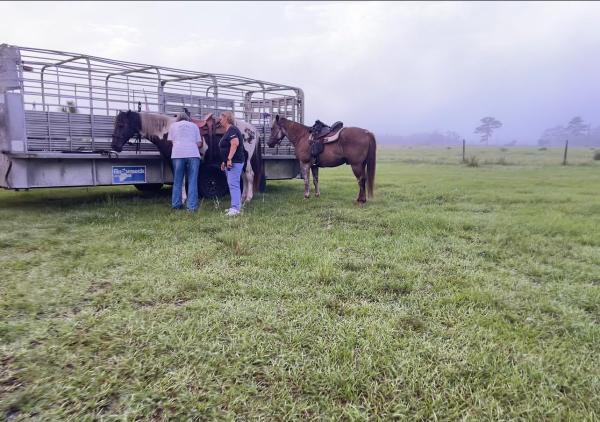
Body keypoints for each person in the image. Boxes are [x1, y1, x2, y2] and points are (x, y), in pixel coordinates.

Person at [168, 112, 202, 211]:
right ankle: (191, 207)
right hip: (193, 154)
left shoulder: (173, 126)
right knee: (192, 181)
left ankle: (176, 205)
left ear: (178, 118)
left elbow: (171, 141)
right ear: (188, 119)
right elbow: (199, 143)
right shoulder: (194, 126)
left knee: (177, 181)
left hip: (178, 154)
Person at [218, 111, 245, 216]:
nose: (219, 120)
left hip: (235, 162)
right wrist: (224, 161)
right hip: (230, 162)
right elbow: (227, 147)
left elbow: (235, 144)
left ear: (226, 118)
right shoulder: (228, 130)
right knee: (232, 184)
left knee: (234, 184)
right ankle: (234, 206)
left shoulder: (232, 129)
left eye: (221, 118)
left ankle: (236, 209)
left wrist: (229, 159)